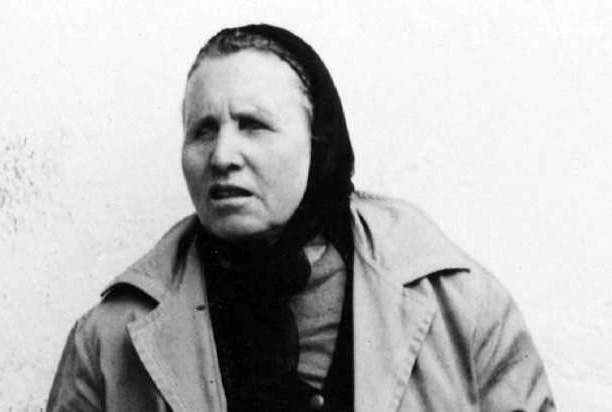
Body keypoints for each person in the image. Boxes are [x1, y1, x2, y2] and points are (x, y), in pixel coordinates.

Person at [47, 24, 555, 411]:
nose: (222, 156)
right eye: (202, 130)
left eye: (253, 125)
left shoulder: (462, 309)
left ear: (319, 144)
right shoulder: (111, 338)